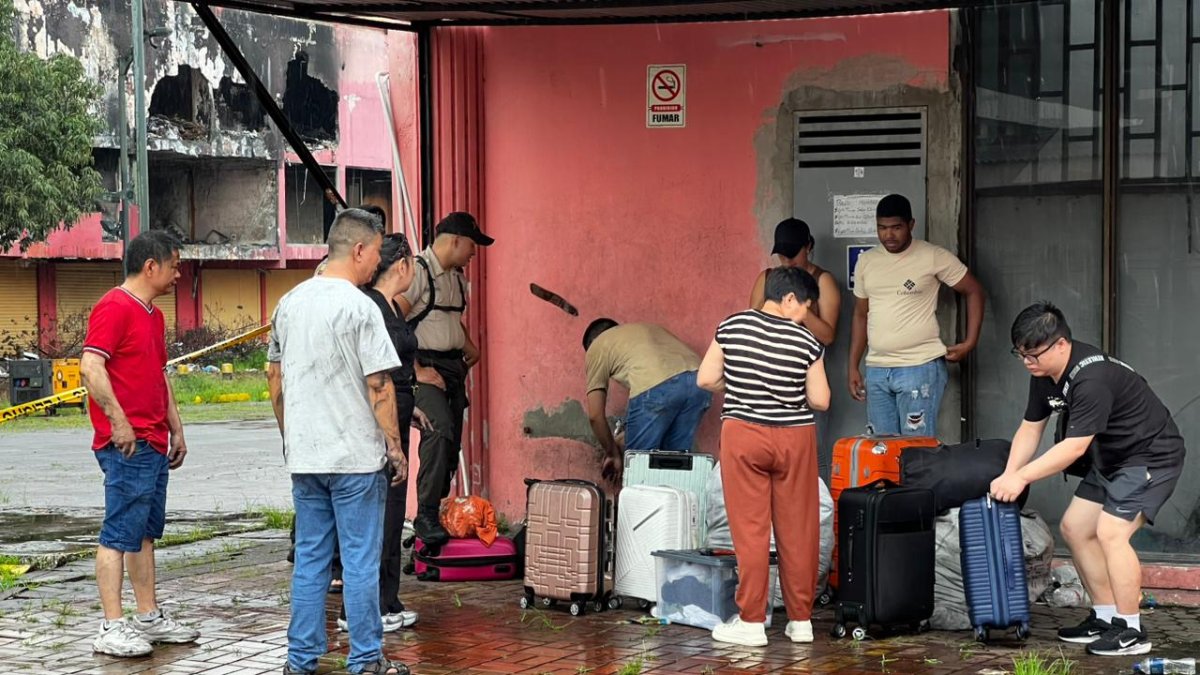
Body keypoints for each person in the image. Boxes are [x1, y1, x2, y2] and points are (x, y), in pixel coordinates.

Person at [990, 302, 1186, 657]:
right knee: (1076, 528)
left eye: (1033, 354)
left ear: (1061, 344)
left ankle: (1132, 630)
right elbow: (1030, 428)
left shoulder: (1091, 378)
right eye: (1020, 354)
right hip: (1110, 458)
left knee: (1112, 532)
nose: (1027, 362)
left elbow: (1073, 447)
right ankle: (1106, 617)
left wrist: (1022, 478)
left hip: (1150, 456)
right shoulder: (1044, 375)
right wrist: (1009, 473)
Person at [268, 208, 410, 675]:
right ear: (359, 249)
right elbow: (380, 385)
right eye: (377, 254)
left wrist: (292, 437)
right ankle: (366, 659)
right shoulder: (360, 307)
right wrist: (395, 447)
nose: (378, 264)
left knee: (310, 560)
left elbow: (274, 379)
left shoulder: (289, 303)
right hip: (354, 459)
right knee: (359, 561)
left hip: (307, 458)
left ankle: (299, 661)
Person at [81, 230, 200, 658]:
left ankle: (147, 616)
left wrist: (176, 428)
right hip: (127, 445)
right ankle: (111, 625)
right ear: (151, 266)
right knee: (118, 533)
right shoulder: (114, 306)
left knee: (145, 533)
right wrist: (119, 421)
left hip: (153, 440)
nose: (178, 274)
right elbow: (90, 366)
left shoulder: (154, 315)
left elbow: (158, 374)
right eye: (174, 266)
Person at [697, 266, 830, 647]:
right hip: (795, 439)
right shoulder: (807, 341)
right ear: (788, 299)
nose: (805, 316)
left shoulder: (732, 326)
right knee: (798, 530)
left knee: (751, 532)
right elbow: (821, 400)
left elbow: (705, 378)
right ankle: (801, 621)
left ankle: (752, 623)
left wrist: (741, 385)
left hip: (743, 435)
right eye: (805, 307)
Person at [334, 229, 426, 634]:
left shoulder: (390, 308)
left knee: (391, 512)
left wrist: (410, 405)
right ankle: (365, 607)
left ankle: (386, 599)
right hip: (380, 420)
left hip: (399, 409)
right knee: (381, 513)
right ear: (402, 265)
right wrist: (390, 433)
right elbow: (375, 377)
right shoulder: (372, 307)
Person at [847, 193, 985, 436]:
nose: (888, 235)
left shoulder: (933, 256)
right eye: (882, 228)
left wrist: (970, 342)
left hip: (919, 367)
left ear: (911, 225)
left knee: (916, 449)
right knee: (881, 449)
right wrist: (853, 366)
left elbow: (974, 291)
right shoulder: (866, 261)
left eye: (896, 227)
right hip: (877, 369)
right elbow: (860, 315)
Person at [397, 212, 494, 545]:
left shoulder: (455, 278)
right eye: (471, 245)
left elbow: (448, 321)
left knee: (450, 448)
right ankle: (424, 514)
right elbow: (393, 321)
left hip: (452, 368)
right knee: (437, 429)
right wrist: (415, 370)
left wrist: (470, 348)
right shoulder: (418, 272)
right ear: (455, 240)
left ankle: (433, 517)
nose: (474, 252)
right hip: (424, 367)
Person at [749, 217, 841, 482]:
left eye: (794, 255)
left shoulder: (822, 280)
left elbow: (828, 335)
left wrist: (800, 309)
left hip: (805, 378)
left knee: (813, 451)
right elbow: (752, 323)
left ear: (808, 246)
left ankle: (819, 507)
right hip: (766, 377)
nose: (788, 262)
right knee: (769, 450)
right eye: (782, 256)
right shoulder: (767, 278)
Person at [582, 320, 711, 481]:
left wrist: (612, 453)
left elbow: (595, 416)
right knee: (675, 465)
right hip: (700, 382)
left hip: (659, 387)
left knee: (639, 468)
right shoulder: (646, 330)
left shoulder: (597, 346)